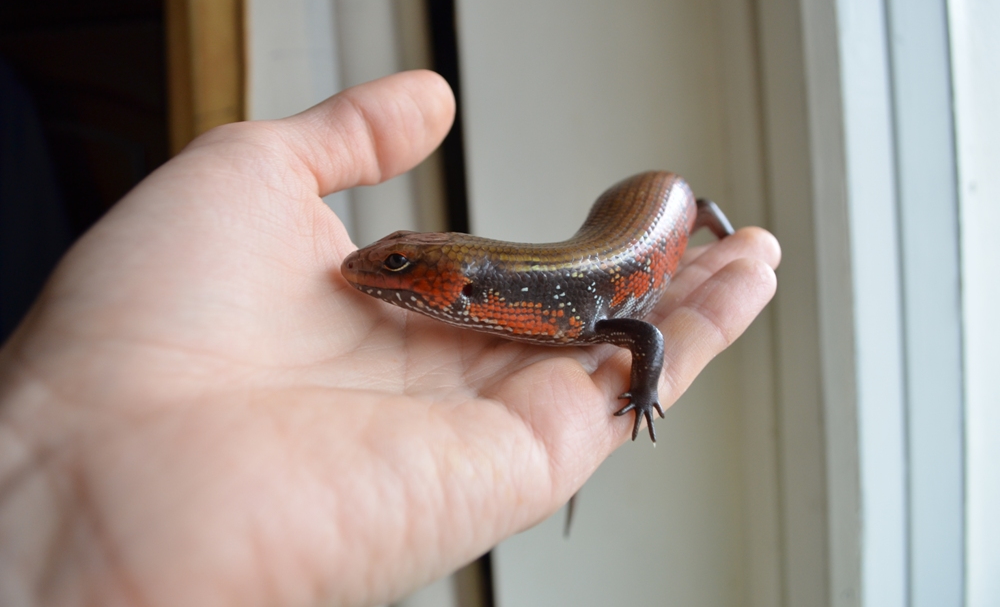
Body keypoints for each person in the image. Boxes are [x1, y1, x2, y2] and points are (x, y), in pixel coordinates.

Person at [0, 71, 780, 606]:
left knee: (711, 220)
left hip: (666, 207)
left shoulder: (579, 309)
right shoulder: (527, 304)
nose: (372, 273)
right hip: (614, 222)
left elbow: (642, 333)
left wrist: (642, 391)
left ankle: (713, 222)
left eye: (400, 268)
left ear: (462, 285)